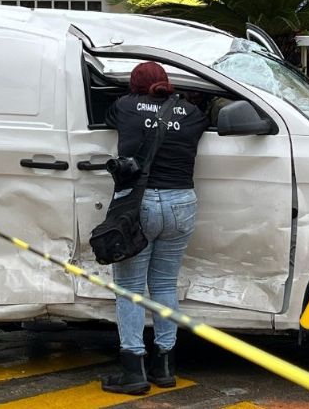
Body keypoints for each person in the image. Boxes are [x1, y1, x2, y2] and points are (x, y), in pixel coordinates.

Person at [101, 62, 209, 395]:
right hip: (182, 204)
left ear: (133, 86)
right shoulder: (191, 113)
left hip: (139, 205)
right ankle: (164, 367)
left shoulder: (123, 106)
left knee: (130, 288)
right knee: (164, 285)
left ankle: (134, 370)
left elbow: (108, 120)